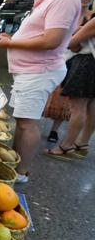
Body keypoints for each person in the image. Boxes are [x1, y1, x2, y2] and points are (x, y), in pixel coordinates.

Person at [0, 0, 81, 183]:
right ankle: (16, 168)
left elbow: (51, 40)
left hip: (38, 71)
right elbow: (41, 34)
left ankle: (19, 174)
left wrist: (11, 43)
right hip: (32, 70)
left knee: (27, 124)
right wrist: (13, 38)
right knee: (23, 121)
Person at [43, 0, 94, 142]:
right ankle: (80, 143)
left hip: (79, 61)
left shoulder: (92, 17)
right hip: (62, 59)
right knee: (58, 97)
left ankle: (59, 135)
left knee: (72, 104)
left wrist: (75, 33)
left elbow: (68, 42)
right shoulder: (68, 16)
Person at [45, 16, 95, 159]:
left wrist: (76, 31)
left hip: (87, 63)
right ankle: (82, 143)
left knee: (78, 108)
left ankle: (67, 146)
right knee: (91, 106)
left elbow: (71, 42)